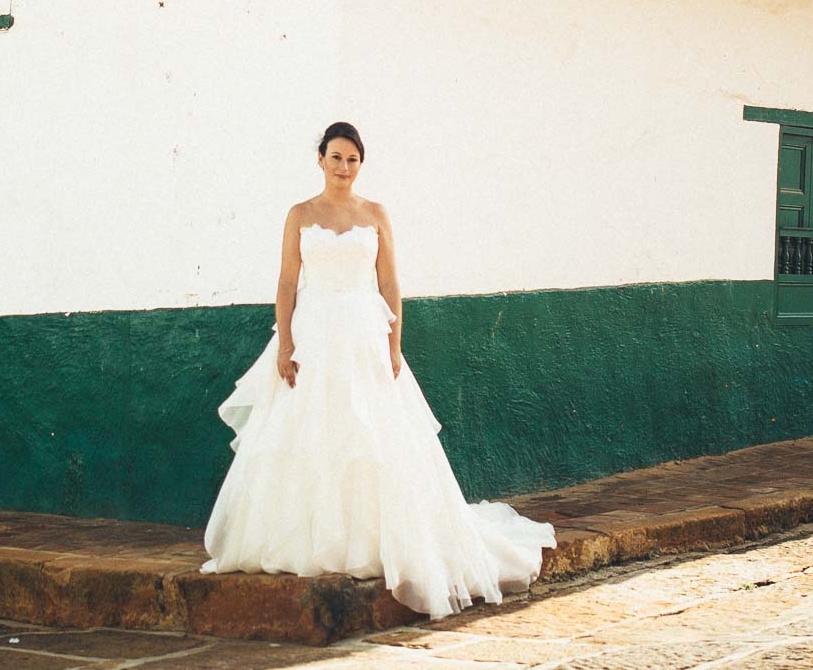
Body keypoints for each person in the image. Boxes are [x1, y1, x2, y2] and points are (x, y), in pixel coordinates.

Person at [200, 121, 557, 619]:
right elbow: (286, 282)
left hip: (366, 337)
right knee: (311, 433)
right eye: (336, 157)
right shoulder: (300, 215)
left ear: (359, 164)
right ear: (320, 159)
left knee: (372, 435)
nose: (344, 167)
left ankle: (375, 540)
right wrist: (285, 344)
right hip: (314, 335)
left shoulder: (376, 214)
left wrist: (394, 344)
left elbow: (390, 283)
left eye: (353, 160)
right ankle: (312, 540)